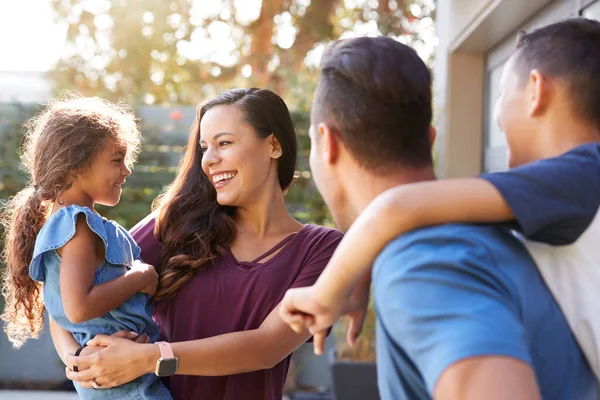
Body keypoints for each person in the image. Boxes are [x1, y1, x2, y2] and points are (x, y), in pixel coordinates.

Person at [279, 31, 598, 399]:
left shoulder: (423, 265)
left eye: (499, 103)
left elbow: (397, 207)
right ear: (430, 140)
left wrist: (327, 290)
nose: (499, 127)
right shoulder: (514, 230)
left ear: (328, 142)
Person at [48, 88, 343, 400]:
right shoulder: (174, 224)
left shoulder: (321, 249)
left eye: (224, 143)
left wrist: (149, 358)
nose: (210, 160)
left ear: (273, 145)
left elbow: (268, 346)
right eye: (205, 148)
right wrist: (78, 359)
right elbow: (65, 296)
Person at [0, 95, 172, 399]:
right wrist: (140, 277)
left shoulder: (66, 224)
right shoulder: (77, 225)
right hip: (126, 386)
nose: (127, 170)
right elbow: (77, 309)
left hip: (114, 375)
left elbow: (60, 312)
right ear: (77, 165)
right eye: (116, 160)